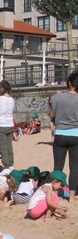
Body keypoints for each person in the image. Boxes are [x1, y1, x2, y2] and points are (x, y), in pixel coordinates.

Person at [50, 70, 78, 202]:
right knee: (75, 167)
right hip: (76, 135)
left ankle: (55, 194)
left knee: (57, 166)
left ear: (69, 83)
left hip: (60, 134)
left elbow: (52, 116)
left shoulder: (56, 97)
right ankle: (72, 197)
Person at [0, 80, 15, 175]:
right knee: (9, 146)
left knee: (2, 146)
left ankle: (6, 166)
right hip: (10, 124)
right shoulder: (11, 99)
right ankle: (11, 164)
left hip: (1, 124)